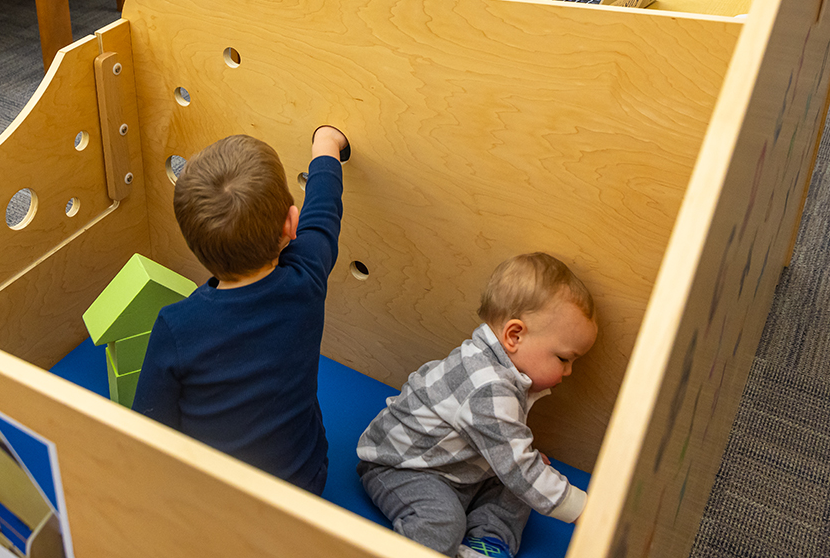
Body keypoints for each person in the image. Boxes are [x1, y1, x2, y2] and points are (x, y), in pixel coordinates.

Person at [132, 126, 349, 494]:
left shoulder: (176, 325)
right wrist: (326, 142)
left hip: (215, 498)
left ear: (193, 242)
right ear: (290, 223)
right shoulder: (307, 277)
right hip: (303, 485)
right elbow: (324, 211)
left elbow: (149, 426)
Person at [357, 252, 598, 558]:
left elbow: (511, 455)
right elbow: (517, 465)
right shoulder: (487, 387)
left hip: (457, 463)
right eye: (563, 358)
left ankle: (488, 542)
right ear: (514, 336)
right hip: (402, 467)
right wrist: (584, 510)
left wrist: (522, 465)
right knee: (446, 520)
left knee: (522, 481)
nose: (569, 371)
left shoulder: (502, 368)